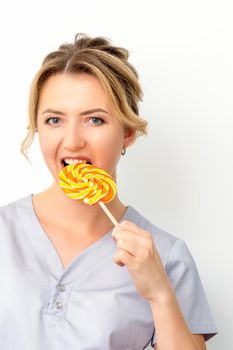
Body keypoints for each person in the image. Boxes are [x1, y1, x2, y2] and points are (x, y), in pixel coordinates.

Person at [0, 33, 217, 350]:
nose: (72, 141)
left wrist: (160, 293)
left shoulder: (166, 255)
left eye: (94, 119)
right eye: (54, 120)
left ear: (127, 133)